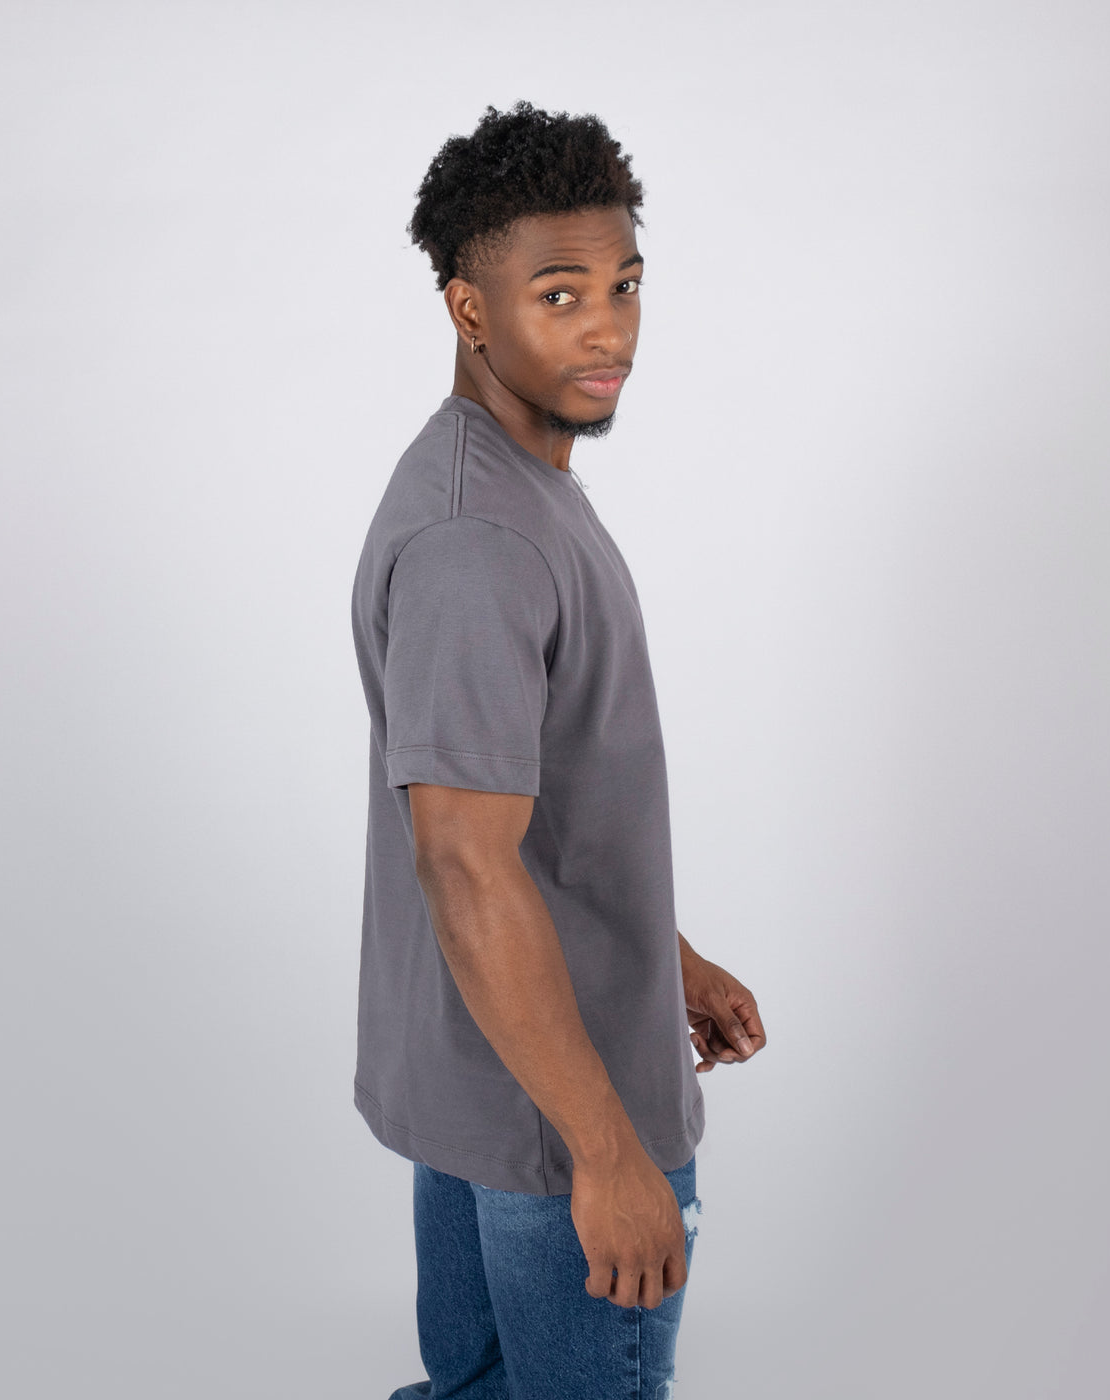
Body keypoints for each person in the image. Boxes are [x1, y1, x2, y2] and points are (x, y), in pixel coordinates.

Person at [349, 100, 767, 1400]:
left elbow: (529, 812)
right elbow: (467, 865)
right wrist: (608, 1151)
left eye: (624, 286)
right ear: (470, 309)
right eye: (560, 293)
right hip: (555, 1120)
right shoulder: (481, 542)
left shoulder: (510, 485)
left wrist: (662, 956)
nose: (609, 330)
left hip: (486, 1082)